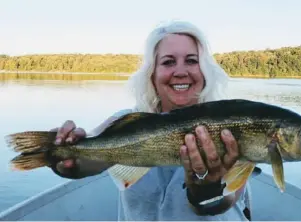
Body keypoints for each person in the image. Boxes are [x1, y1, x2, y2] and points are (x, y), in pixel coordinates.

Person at [50, 20, 252, 221]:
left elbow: (226, 201)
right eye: (168, 62)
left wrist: (207, 192)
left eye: (191, 60)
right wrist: (64, 155)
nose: (180, 71)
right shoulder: (126, 122)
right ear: (152, 73)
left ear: (205, 70)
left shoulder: (230, 125)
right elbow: (85, 161)